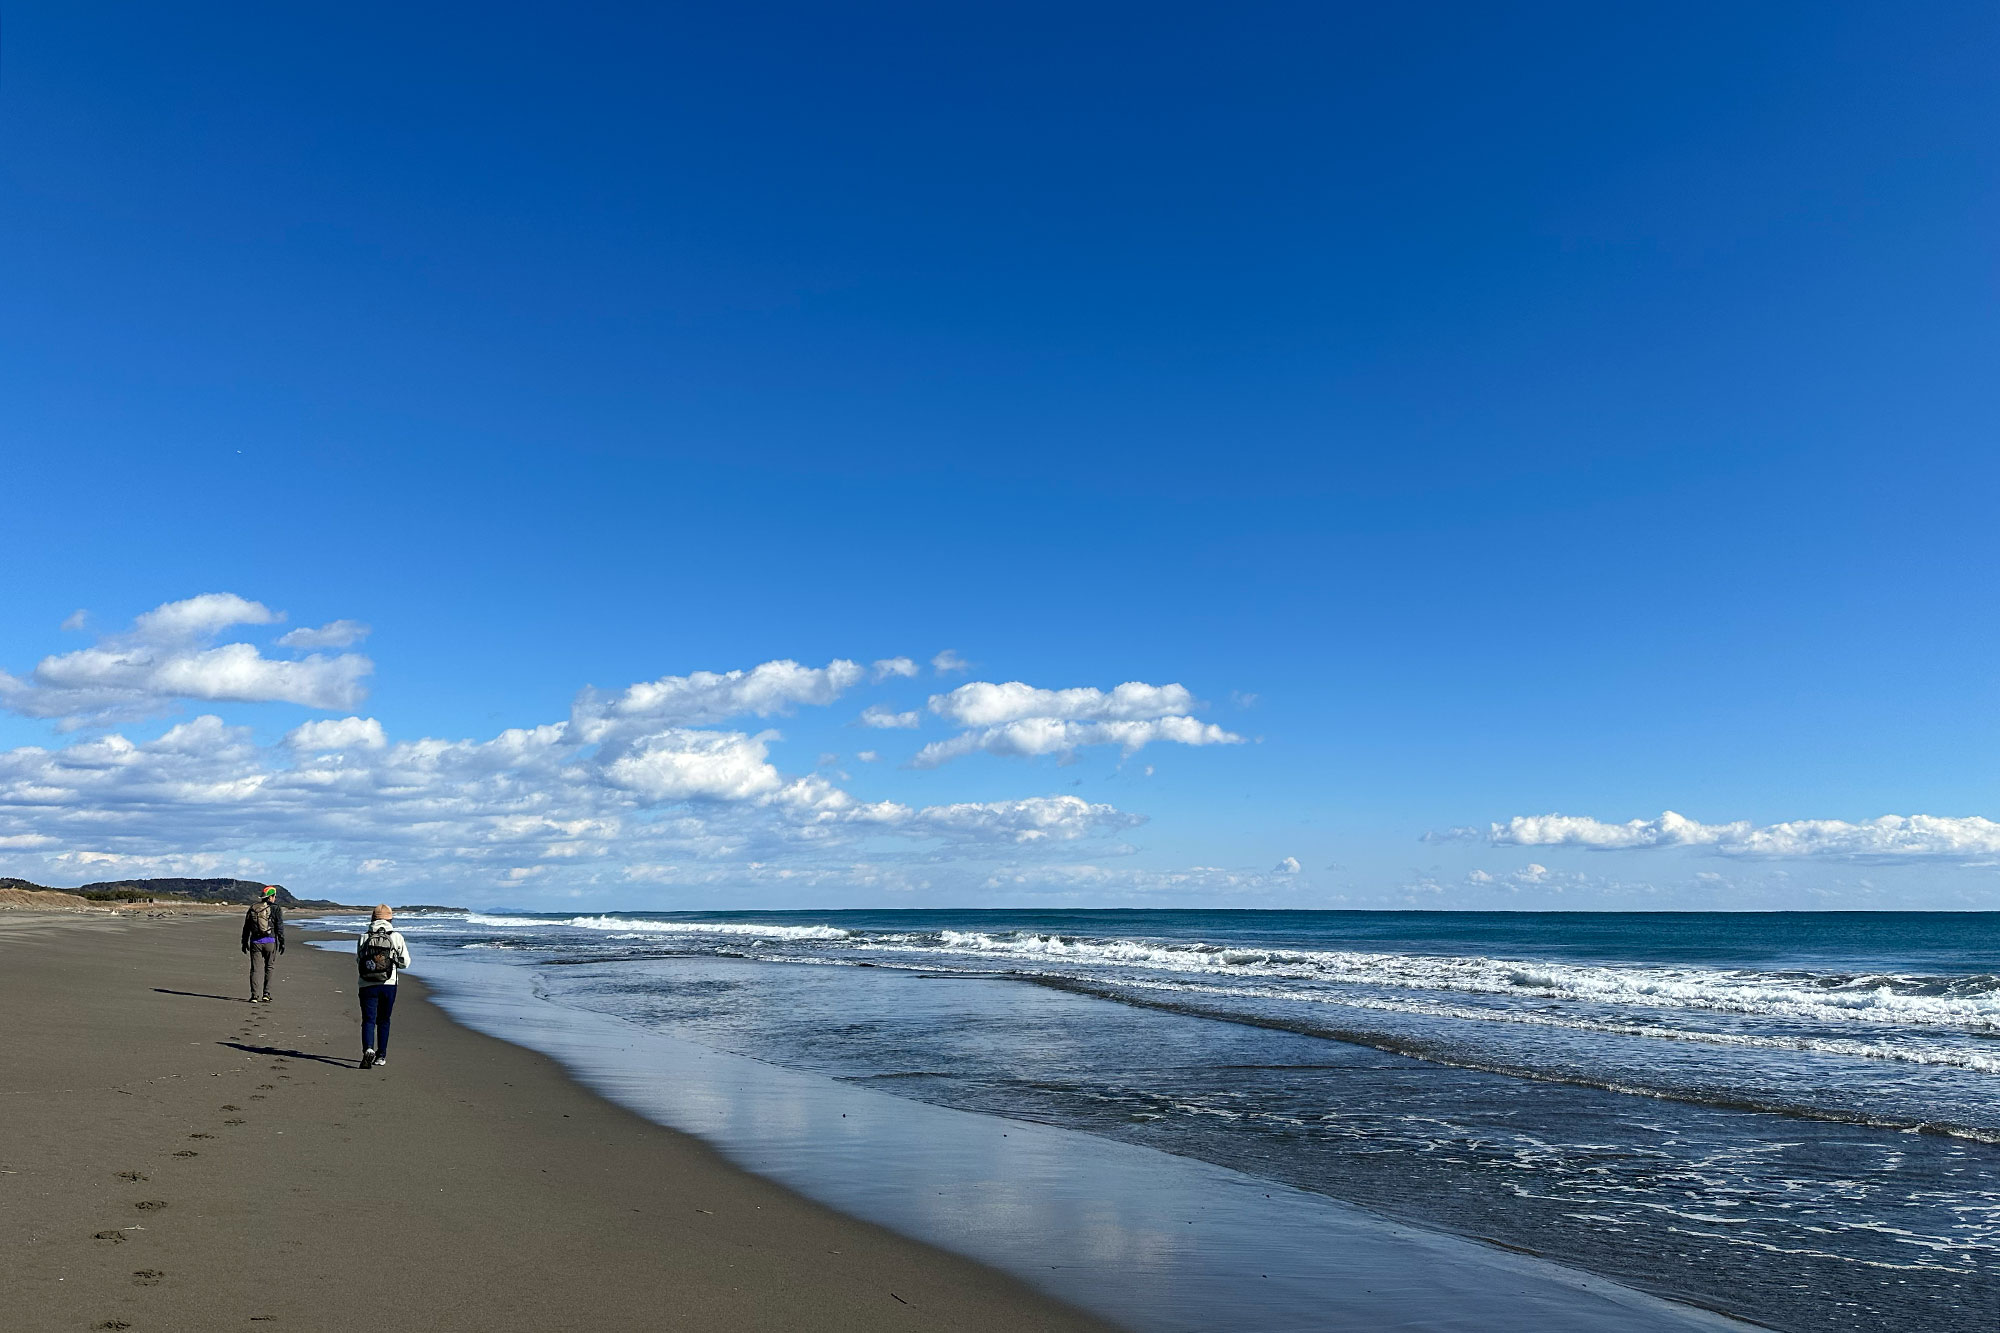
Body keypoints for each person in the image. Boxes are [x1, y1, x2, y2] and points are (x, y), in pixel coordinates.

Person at [356, 904, 412, 1070]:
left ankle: (368, 1049)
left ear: (373, 918)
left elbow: (359, 960)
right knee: (384, 1020)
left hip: (366, 984)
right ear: (390, 919)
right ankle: (381, 1056)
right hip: (388, 984)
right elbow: (405, 963)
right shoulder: (396, 937)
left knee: (368, 1019)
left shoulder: (364, 937)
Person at [240, 885, 286, 1003]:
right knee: (269, 967)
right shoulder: (276, 909)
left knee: (255, 969)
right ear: (270, 897)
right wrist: (282, 942)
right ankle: (266, 994)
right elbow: (279, 927)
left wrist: (244, 942)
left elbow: (246, 927)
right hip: (270, 942)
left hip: (255, 942)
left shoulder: (253, 907)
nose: (275, 898)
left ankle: (254, 996)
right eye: (274, 896)